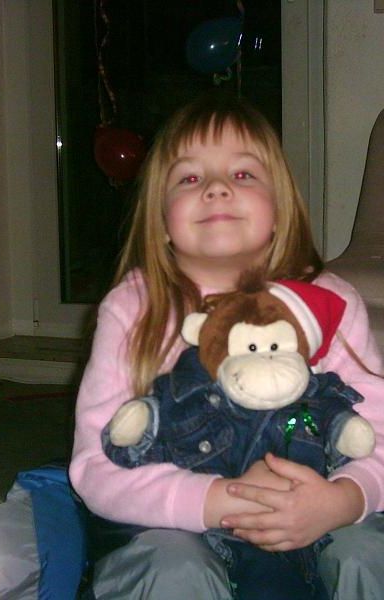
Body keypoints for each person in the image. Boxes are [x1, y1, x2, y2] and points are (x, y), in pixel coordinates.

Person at [69, 93, 384, 599]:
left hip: (317, 510)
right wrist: (220, 499)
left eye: (242, 174)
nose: (217, 188)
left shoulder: (330, 302)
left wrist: (346, 498)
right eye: (190, 178)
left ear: (279, 209)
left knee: (367, 553)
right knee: (171, 570)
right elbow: (96, 467)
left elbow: (378, 432)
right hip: (176, 524)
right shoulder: (133, 308)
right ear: (161, 219)